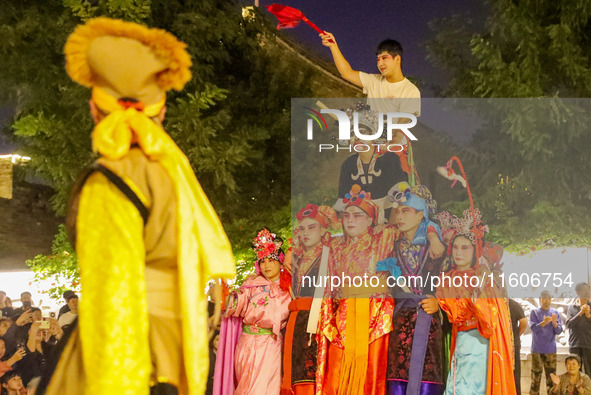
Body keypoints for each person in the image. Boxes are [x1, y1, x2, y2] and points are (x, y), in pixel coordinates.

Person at [40, 17, 236, 395]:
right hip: (175, 345)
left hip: (134, 360)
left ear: (95, 110)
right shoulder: (175, 175)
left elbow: (114, 299)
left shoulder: (112, 181)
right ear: (160, 112)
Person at [316, 185, 399, 395]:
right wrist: (326, 320)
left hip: (374, 316)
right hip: (342, 316)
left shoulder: (382, 239)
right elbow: (330, 286)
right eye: (346, 216)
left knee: (371, 374)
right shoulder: (335, 246)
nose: (350, 220)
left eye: (357, 215)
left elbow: (406, 221)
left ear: (371, 220)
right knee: (336, 375)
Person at [435, 208, 516, 395]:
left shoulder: (484, 278)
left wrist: (481, 292)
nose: (459, 252)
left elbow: (493, 317)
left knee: (477, 387)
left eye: (465, 248)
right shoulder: (446, 279)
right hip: (463, 337)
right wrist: (476, 297)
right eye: (455, 247)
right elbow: (455, 313)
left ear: (475, 251)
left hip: (483, 342)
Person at [381, 182, 445, 394]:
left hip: (428, 322)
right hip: (398, 323)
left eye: (406, 211)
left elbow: (453, 281)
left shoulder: (437, 247)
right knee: (396, 379)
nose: (399, 216)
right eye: (397, 212)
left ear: (421, 215)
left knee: (426, 380)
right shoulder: (391, 245)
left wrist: (440, 302)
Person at [219, 229, 291, 395]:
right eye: (263, 261)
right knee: (249, 390)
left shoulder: (290, 287)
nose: (267, 265)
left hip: (274, 345)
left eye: (271, 260)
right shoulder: (252, 285)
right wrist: (222, 295)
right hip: (250, 345)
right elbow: (236, 303)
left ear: (280, 261)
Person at [281, 204, 338, 394]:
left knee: (314, 374)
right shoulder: (297, 257)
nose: (306, 233)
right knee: (296, 372)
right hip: (296, 322)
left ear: (323, 230)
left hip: (319, 321)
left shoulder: (330, 255)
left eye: (312, 227)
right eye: (302, 228)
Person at [319, 33, 420, 116]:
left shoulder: (410, 91)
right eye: (378, 59)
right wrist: (333, 46)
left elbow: (404, 123)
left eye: (384, 58)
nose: (380, 64)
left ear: (397, 59)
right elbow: (347, 73)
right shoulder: (373, 80)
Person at [530, 290, 563, 395]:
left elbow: (559, 331)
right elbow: (533, 328)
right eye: (544, 298)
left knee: (552, 379)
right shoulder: (534, 312)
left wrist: (554, 323)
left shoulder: (555, 313)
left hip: (551, 350)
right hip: (537, 351)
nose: (547, 301)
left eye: (549, 298)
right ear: (540, 299)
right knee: (535, 379)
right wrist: (543, 323)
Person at [566, 282, 591, 375]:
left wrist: (588, 316)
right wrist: (580, 313)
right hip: (575, 344)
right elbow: (568, 324)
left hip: (589, 344)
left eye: (588, 291)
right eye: (584, 290)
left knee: (589, 372)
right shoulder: (572, 308)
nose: (586, 293)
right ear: (577, 292)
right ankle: (575, 390)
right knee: (574, 373)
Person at [509, 298, 528, 394]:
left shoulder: (513, 304)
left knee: (514, 373)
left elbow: (524, 322)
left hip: (512, 345)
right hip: (504, 343)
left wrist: (515, 336)